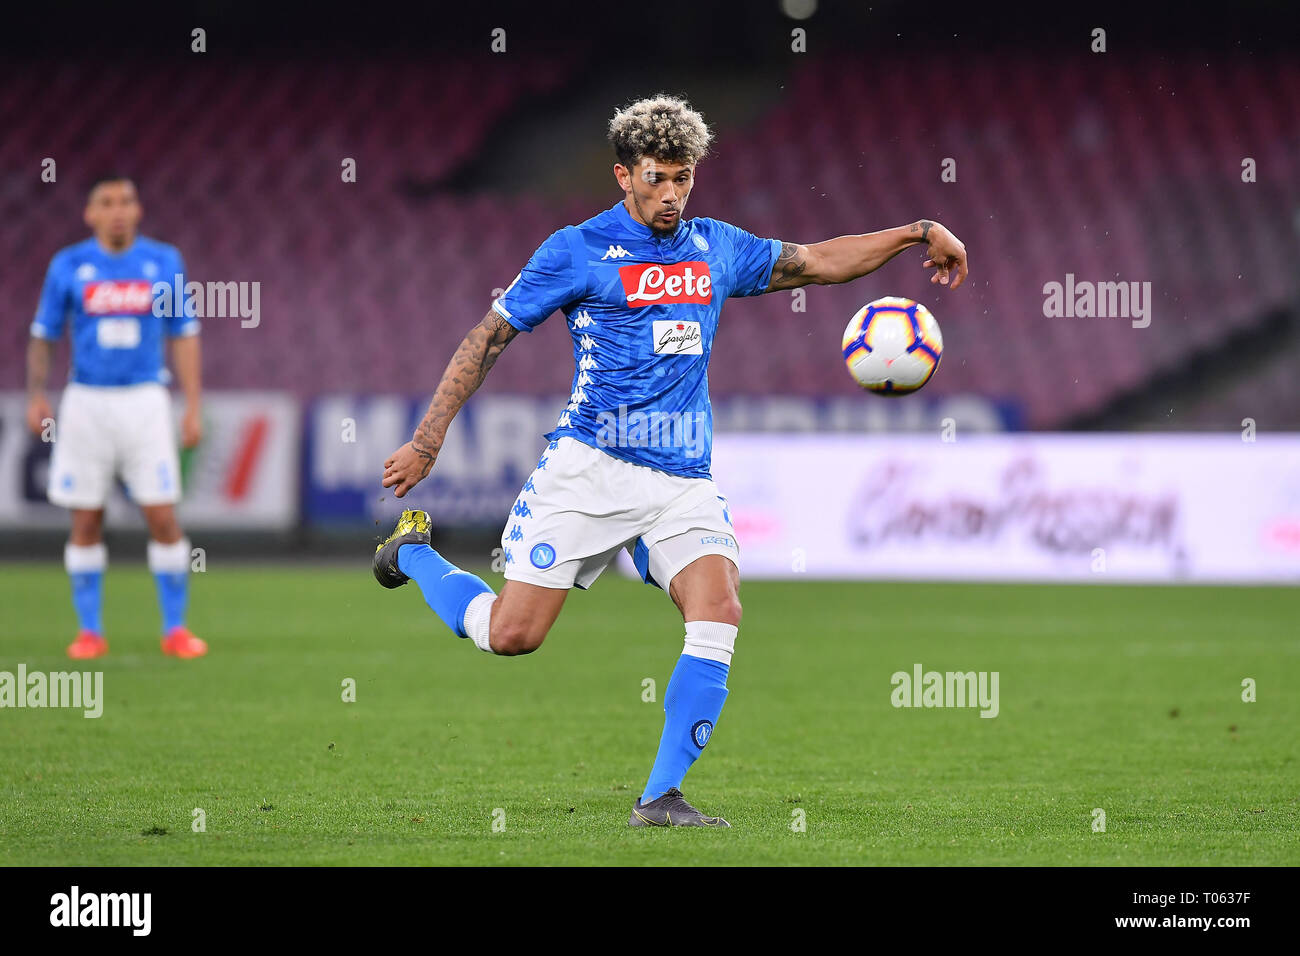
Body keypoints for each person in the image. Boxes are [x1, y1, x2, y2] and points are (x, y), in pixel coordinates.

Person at [374, 95, 967, 826]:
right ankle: (415, 555)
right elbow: (488, 338)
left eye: (684, 179)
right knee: (512, 636)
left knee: (718, 610)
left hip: (682, 479)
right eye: (658, 178)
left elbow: (816, 262)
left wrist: (916, 232)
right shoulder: (576, 250)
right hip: (589, 468)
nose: (673, 194)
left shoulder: (714, 246)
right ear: (624, 175)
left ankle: (660, 797)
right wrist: (427, 440)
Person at [27, 176, 207, 660]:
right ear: (90, 214)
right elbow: (44, 333)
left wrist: (193, 406)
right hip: (87, 401)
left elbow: (184, 334)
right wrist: (36, 395)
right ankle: (90, 632)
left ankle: (175, 629)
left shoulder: (164, 262)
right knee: (86, 519)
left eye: (126, 200)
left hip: (146, 400)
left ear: (138, 208)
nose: (118, 210)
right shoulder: (68, 265)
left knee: (163, 516)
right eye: (106, 202)